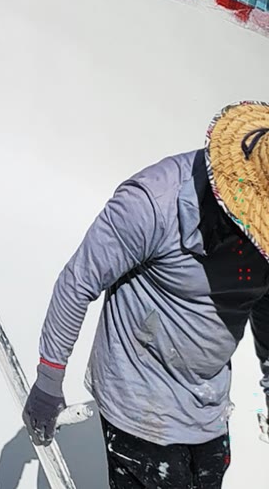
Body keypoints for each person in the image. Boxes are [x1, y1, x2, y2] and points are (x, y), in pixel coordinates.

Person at [23, 101, 269, 488]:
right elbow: (78, 282)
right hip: (139, 402)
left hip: (207, 408)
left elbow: (265, 305)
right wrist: (48, 382)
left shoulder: (262, 239)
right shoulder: (152, 202)